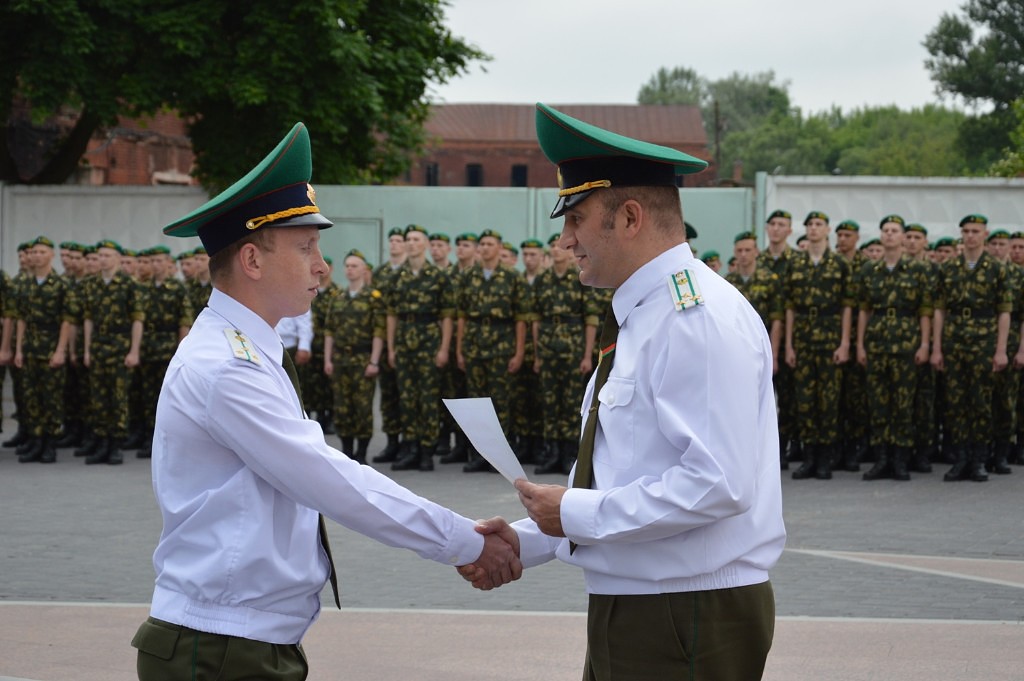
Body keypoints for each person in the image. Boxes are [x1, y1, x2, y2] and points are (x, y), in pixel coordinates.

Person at [131, 123, 519, 680]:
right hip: (217, 648)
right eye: (306, 247)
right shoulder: (226, 365)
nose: (322, 265)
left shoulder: (249, 349)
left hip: (240, 639)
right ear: (252, 260)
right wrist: (462, 541)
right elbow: (326, 477)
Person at [461, 103, 785, 681]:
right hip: (648, 605)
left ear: (630, 217)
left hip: (685, 613)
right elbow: (628, 473)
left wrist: (573, 510)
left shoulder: (694, 319)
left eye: (577, 219)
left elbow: (718, 484)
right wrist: (528, 540)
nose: (565, 240)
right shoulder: (648, 314)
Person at [931, 214, 1014, 482]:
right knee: (956, 402)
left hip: (983, 341)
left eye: (975, 231)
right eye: (966, 231)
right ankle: (961, 458)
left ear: (985, 234)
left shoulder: (996, 268)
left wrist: (1000, 349)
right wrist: (937, 348)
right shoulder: (949, 268)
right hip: (954, 340)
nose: (970, 236)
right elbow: (939, 310)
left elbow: (1004, 312)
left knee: (980, 402)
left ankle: (979, 459)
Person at [853, 217, 933, 480]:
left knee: (903, 404)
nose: (889, 235)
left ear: (902, 237)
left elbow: (924, 311)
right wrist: (860, 344)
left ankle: (900, 459)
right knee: (877, 403)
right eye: (885, 231)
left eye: (894, 231)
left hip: (906, 344)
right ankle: (881, 458)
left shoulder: (917, 269)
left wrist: (924, 344)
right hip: (876, 343)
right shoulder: (869, 269)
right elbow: (864, 310)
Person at [784, 211, 854, 480]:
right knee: (805, 401)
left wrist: (844, 343)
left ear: (827, 230)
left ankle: (825, 458)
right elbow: (789, 307)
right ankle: (809, 457)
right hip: (803, 339)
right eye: (810, 225)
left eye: (818, 224)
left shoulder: (839, 264)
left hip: (830, 338)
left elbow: (847, 306)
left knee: (828, 401)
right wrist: (789, 345)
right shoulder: (795, 263)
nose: (813, 229)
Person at [323, 249, 383, 464]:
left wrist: (374, 361)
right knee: (342, 406)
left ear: (364, 270)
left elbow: (378, 332)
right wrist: (327, 359)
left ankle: (362, 453)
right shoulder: (337, 297)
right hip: (341, 360)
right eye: (347, 266)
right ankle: (347, 451)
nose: (350, 269)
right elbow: (329, 331)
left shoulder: (373, 298)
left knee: (363, 407)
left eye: (354, 266)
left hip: (362, 359)